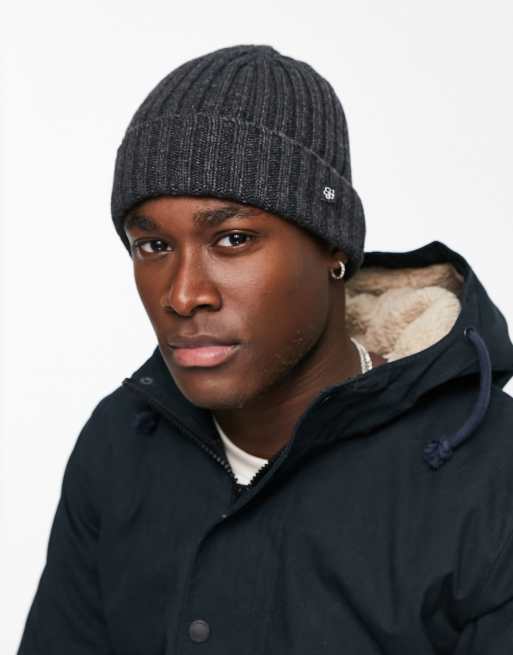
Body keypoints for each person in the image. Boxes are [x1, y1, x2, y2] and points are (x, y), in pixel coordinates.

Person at [17, 44, 513, 655]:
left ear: (334, 248)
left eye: (233, 239)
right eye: (153, 246)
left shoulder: (492, 474)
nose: (183, 295)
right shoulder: (121, 441)